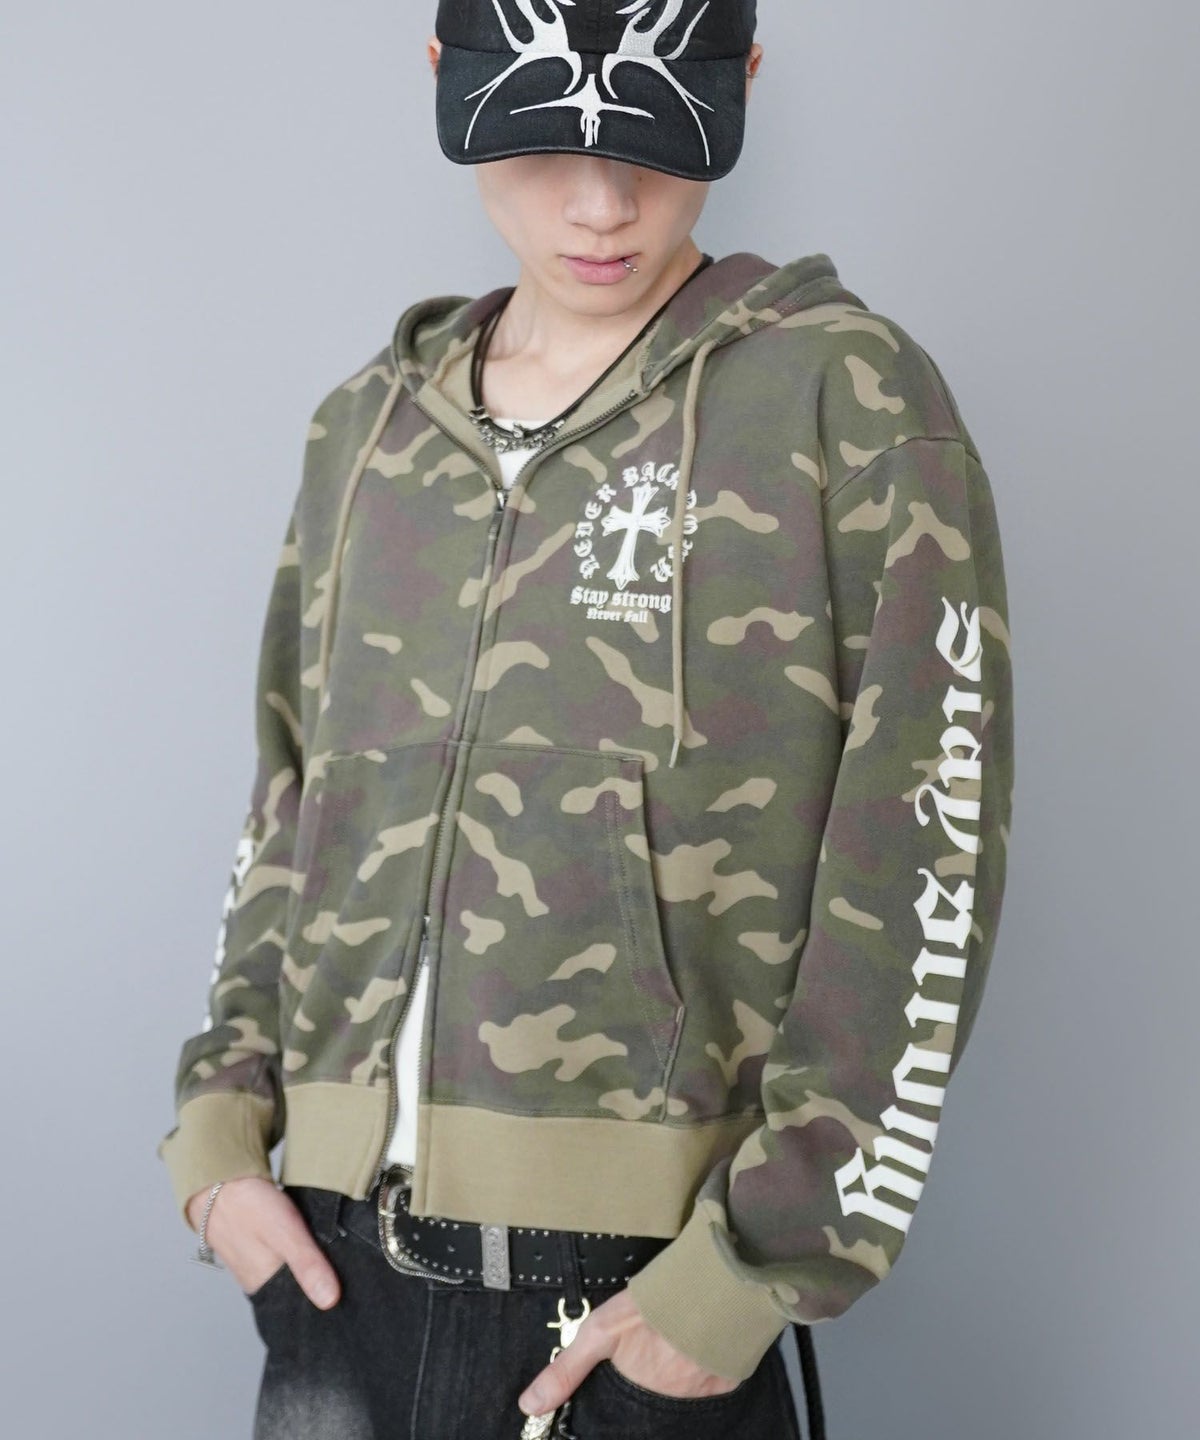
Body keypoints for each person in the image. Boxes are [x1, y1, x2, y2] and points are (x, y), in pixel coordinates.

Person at [156, 3, 1015, 1437]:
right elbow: (290, 801)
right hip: (330, 1273)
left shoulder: (844, 400)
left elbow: (929, 840)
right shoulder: (363, 431)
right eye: (546, 148)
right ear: (447, 79)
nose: (603, 206)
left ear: (743, 81)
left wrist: (753, 1271)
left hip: (641, 1293)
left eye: (656, 149)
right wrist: (218, 1137)